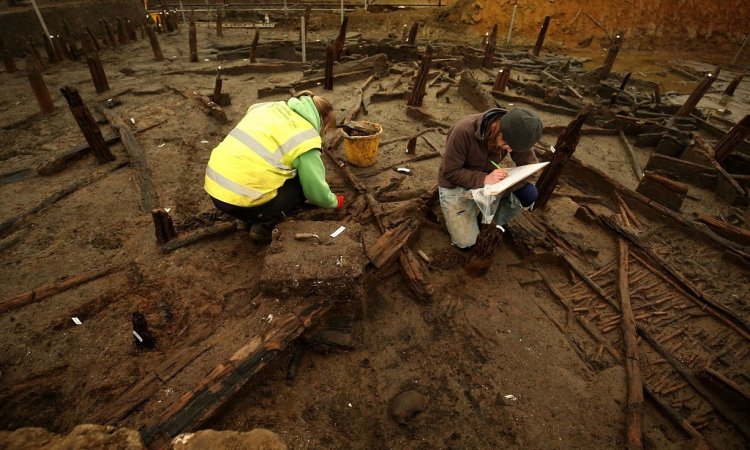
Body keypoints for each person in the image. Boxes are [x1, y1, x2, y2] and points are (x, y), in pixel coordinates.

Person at [204, 91, 344, 243]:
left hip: (214, 187)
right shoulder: (306, 137)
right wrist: (334, 202)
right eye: (325, 130)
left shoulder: (268, 107)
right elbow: (315, 190)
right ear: (321, 121)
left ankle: (247, 215)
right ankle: (265, 225)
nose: (322, 133)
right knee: (301, 185)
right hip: (241, 202)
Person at [437, 107, 543, 249]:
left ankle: (491, 222)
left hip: (490, 184)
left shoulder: (517, 132)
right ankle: (460, 213)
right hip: (456, 185)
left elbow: (530, 166)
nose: (510, 151)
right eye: (507, 146)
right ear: (499, 130)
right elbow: (450, 172)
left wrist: (509, 180)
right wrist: (484, 178)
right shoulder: (463, 131)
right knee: (467, 244)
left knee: (528, 193)